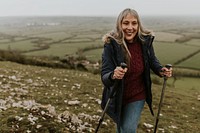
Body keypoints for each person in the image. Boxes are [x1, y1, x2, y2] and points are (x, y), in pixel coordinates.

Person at [101, 8, 172, 133]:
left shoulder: (145, 41)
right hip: (117, 95)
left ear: (138, 25)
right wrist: (113, 75)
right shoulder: (111, 44)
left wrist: (161, 70)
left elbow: (152, 60)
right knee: (121, 128)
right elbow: (105, 75)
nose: (130, 27)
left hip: (137, 94)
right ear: (119, 25)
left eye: (134, 23)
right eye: (126, 23)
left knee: (128, 129)